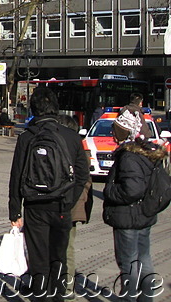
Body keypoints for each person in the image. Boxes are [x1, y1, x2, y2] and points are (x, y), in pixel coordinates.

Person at [8, 87, 89, 301]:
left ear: (33, 108)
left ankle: (41, 295)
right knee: (58, 257)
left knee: (38, 259)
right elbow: (83, 174)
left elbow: (16, 175)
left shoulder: (26, 138)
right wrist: (71, 197)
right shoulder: (72, 137)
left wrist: (14, 210)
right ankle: (58, 296)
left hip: (35, 206)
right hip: (62, 205)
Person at [103, 109, 166, 301]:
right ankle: (146, 297)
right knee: (143, 258)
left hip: (128, 216)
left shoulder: (129, 156)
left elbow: (133, 189)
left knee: (129, 262)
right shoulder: (146, 152)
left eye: (117, 130)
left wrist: (110, 192)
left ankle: (130, 297)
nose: (113, 134)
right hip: (143, 215)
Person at [56, 115, 93, 294]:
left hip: (65, 207)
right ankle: (67, 287)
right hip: (75, 207)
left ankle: (63, 286)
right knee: (67, 248)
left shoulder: (66, 151)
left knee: (62, 249)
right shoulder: (83, 152)